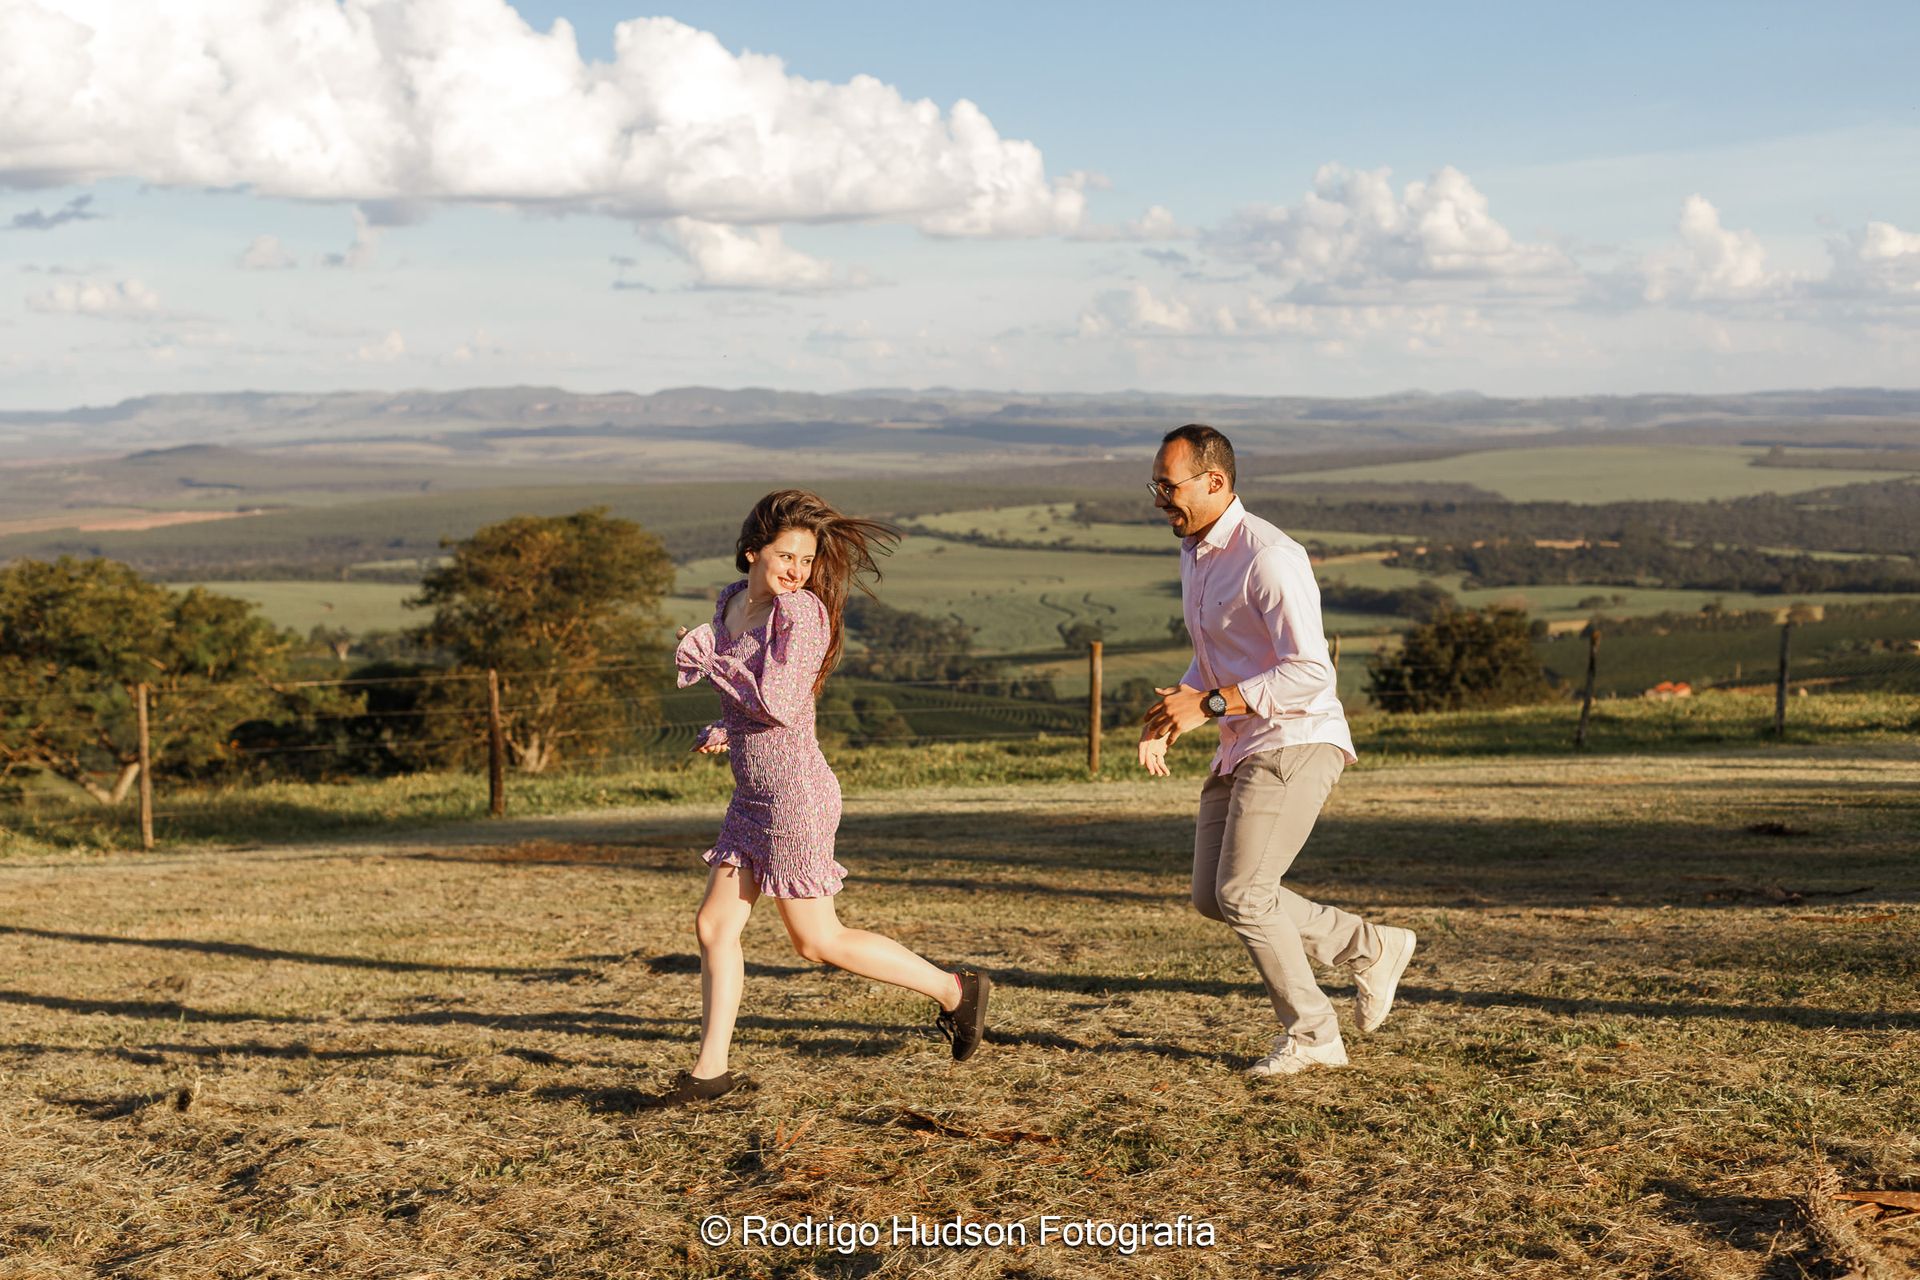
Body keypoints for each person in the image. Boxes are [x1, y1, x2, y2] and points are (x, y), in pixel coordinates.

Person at [661, 489, 990, 1106]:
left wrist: (713, 664)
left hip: (795, 796)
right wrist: (723, 727)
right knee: (713, 925)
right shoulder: (732, 602)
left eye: (806, 560)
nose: (796, 571)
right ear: (751, 552)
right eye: (786, 556)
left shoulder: (802, 615)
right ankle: (710, 1073)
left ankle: (955, 991)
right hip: (752, 797)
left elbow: (784, 703)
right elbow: (750, 707)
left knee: (817, 942)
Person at [1137, 425, 1416, 1077]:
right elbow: (1219, 655)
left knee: (1244, 892)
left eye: (1168, 485)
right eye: (1154, 485)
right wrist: (1175, 708)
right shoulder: (1196, 552)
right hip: (1241, 742)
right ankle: (1369, 948)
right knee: (1216, 895)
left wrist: (1207, 706)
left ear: (1216, 482)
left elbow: (1310, 672)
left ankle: (1315, 1034)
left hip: (1294, 739)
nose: (1158, 499)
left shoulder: (1268, 556)